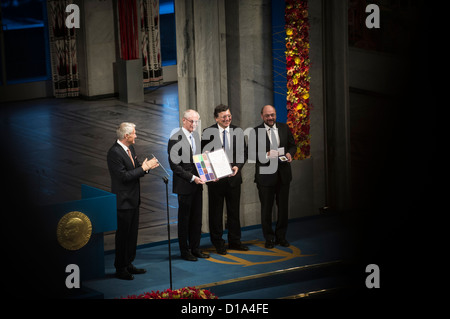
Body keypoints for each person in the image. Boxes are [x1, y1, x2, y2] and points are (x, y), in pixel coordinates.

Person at [107, 122, 159, 280]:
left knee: (132, 235)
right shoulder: (114, 153)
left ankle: (129, 263)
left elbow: (135, 169)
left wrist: (146, 167)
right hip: (123, 202)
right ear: (126, 136)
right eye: (134, 133)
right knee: (123, 236)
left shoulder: (130, 148)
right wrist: (142, 169)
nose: (136, 135)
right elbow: (124, 177)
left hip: (134, 199)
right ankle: (120, 267)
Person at [201, 104, 248, 255]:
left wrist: (238, 167)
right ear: (216, 118)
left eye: (229, 116)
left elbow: (243, 152)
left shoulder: (238, 131)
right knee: (216, 213)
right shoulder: (208, 132)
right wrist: (209, 176)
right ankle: (218, 243)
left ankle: (235, 241)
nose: (227, 119)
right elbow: (203, 157)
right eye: (224, 117)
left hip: (233, 178)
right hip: (216, 181)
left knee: (234, 212)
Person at [168, 109, 209, 261]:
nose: (194, 124)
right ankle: (185, 251)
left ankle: (195, 248)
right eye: (192, 121)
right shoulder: (175, 138)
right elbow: (175, 166)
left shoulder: (196, 136)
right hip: (185, 185)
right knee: (184, 220)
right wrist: (192, 178)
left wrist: (209, 173)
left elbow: (198, 160)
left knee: (197, 219)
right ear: (184, 121)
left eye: (196, 121)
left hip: (198, 185)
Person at [253, 105, 297, 248]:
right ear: (262, 116)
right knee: (266, 209)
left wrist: (290, 153)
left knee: (283, 209)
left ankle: (281, 236)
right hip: (265, 178)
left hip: (283, 176)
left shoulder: (284, 128)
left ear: (275, 114)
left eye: (272, 115)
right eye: (267, 115)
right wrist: (265, 155)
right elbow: (250, 153)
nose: (270, 118)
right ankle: (269, 238)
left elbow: (292, 145)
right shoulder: (255, 132)